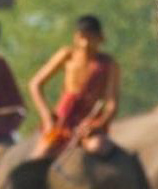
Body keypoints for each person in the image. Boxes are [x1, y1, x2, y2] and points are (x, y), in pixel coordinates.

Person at [29, 16, 121, 157]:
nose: (86, 43)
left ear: (100, 38)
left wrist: (98, 125)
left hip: (89, 121)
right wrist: (47, 117)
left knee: (99, 147)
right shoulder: (67, 55)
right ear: (76, 37)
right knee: (42, 153)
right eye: (82, 36)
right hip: (61, 119)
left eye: (90, 37)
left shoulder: (109, 64)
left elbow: (111, 103)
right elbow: (35, 84)